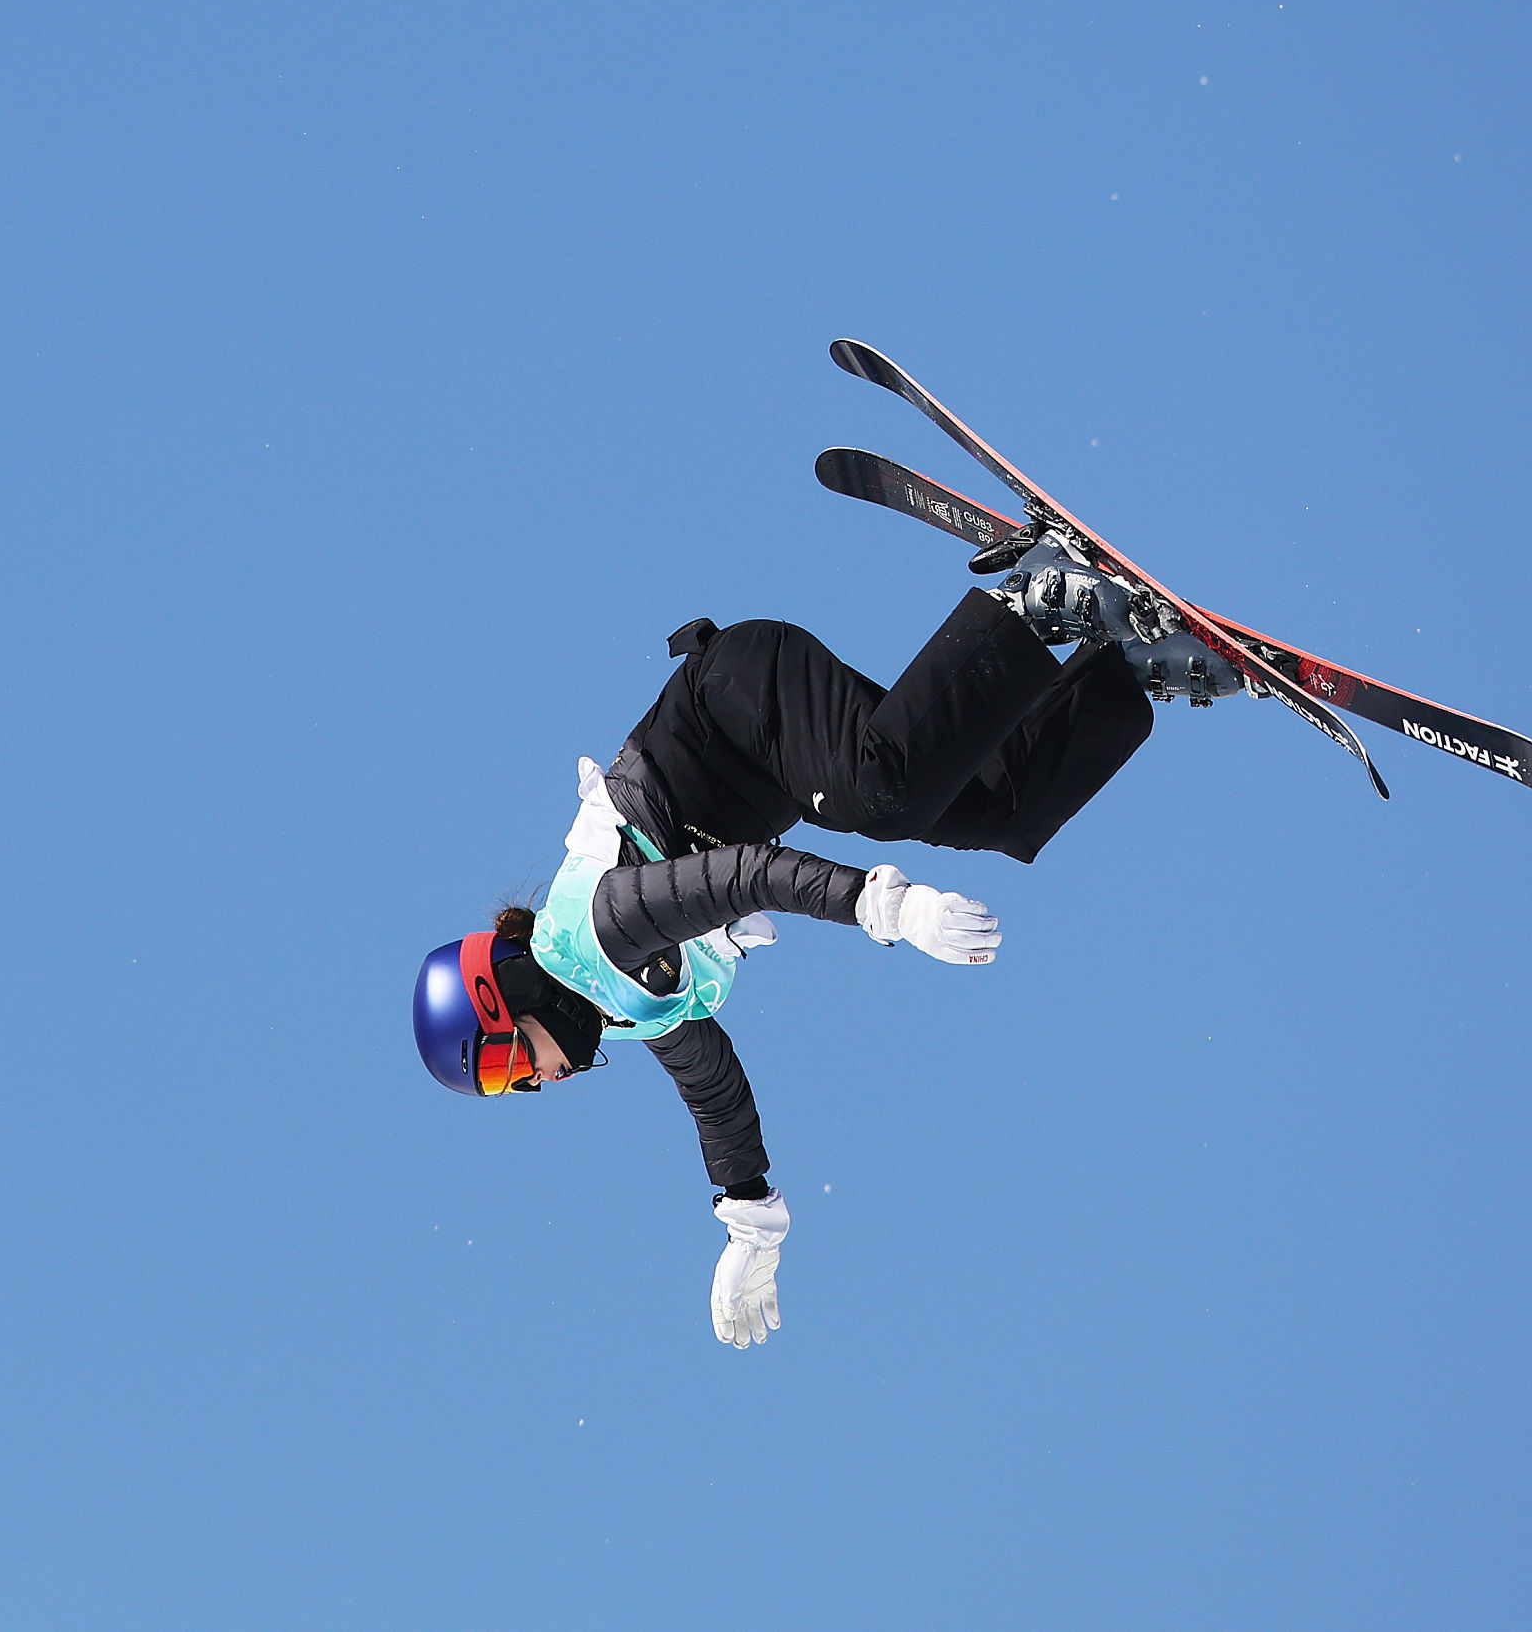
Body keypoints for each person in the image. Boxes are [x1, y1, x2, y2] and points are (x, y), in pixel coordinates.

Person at [411, 538, 1240, 1348]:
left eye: (504, 1063)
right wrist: (750, 1226)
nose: (537, 1080)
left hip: (736, 699)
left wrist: (884, 908)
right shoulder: (624, 1002)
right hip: (778, 760)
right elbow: (715, 1094)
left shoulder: (599, 928)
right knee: (1001, 810)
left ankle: (1030, 599)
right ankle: (1129, 663)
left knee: (886, 793)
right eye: (509, 1087)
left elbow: (741, 878)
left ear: (508, 993)